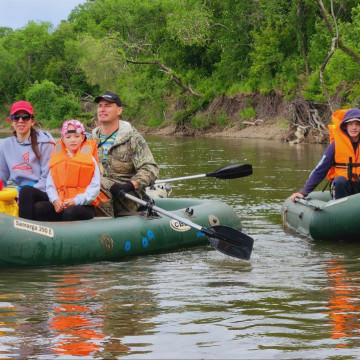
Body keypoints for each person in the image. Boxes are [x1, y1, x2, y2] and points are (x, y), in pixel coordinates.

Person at [91, 91, 159, 216]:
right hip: (96, 191)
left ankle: (106, 228)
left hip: (126, 195)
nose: (102, 109)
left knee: (97, 184)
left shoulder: (133, 138)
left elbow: (150, 168)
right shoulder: (90, 140)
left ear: (119, 110)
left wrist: (130, 185)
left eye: (108, 105)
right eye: (100, 106)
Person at [32, 120, 101, 221]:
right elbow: (50, 185)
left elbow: (95, 188)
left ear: (82, 138)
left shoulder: (90, 159)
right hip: (62, 204)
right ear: (63, 139)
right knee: (39, 207)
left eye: (77, 136)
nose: (73, 140)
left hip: (83, 205)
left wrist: (76, 201)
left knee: (70, 212)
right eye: (68, 137)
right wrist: (55, 200)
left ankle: (68, 235)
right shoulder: (57, 159)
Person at [0, 100, 55, 219]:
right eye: (16, 117)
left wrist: (21, 195)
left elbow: (47, 178)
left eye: (25, 117)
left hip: (43, 191)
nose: (20, 121)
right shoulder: (5, 145)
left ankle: (23, 235)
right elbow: (1, 178)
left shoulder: (46, 143)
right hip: (22, 193)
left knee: (29, 196)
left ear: (32, 121)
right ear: (11, 121)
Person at [291, 108, 360, 202]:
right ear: (345, 126)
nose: (354, 127)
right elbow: (320, 169)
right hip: (341, 188)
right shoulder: (335, 145)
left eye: (357, 124)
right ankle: (340, 212)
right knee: (340, 181)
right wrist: (303, 192)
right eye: (351, 124)